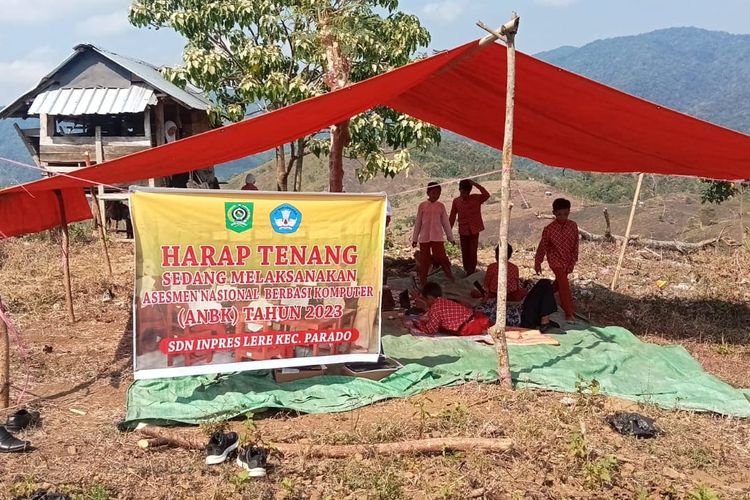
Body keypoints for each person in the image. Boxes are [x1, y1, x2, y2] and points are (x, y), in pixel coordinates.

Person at [480, 244, 559, 332]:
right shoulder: (514, 268)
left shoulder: (492, 268)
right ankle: (545, 322)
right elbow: (517, 290)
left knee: (541, 287)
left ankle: (543, 321)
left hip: (520, 314)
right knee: (544, 283)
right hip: (523, 317)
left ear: (496, 254)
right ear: (509, 255)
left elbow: (486, 287)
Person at [535, 198, 579, 322]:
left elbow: (576, 244)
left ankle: (540, 296)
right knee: (564, 285)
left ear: (569, 212)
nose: (562, 217)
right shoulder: (549, 229)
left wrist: (573, 260)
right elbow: (542, 245)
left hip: (568, 260)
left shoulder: (573, 226)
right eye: (559, 214)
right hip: (555, 260)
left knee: (559, 284)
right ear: (554, 213)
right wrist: (538, 262)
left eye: (565, 214)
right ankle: (569, 313)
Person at [412, 182, 455, 285]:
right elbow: (418, 222)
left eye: (438, 193)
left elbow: (446, 223)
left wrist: (450, 237)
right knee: (424, 260)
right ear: (428, 193)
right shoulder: (422, 206)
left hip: (437, 237)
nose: (436, 195)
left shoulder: (441, 206)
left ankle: (450, 278)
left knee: (442, 258)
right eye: (434, 193)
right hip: (424, 237)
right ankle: (423, 282)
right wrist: (415, 239)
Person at [449, 179, 490, 275]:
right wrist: (448, 232)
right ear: (459, 190)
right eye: (462, 192)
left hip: (474, 229)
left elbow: (487, 195)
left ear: (469, 191)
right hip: (463, 230)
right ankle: (467, 270)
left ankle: (471, 271)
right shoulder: (456, 201)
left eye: (466, 193)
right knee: (465, 252)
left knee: (472, 251)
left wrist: (475, 184)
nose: (464, 195)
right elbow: (452, 216)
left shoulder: (476, 198)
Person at [417, 282, 490, 336]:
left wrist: (418, 325)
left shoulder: (435, 307)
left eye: (425, 299)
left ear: (430, 297)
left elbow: (431, 330)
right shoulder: (445, 300)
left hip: (469, 327)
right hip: (478, 319)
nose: (426, 302)